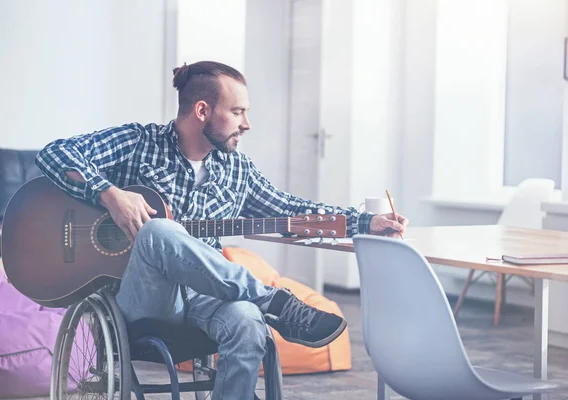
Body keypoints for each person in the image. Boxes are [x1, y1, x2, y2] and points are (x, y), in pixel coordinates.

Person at [35, 61, 409, 399]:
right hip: (140, 299)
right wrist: (110, 195)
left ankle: (261, 305)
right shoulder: (138, 143)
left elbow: (292, 209)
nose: (247, 124)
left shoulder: (238, 171)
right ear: (202, 111)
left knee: (247, 320)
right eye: (238, 112)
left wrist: (364, 222)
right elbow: (53, 152)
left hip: (205, 298)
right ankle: (275, 302)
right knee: (158, 232)